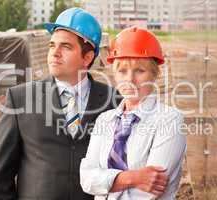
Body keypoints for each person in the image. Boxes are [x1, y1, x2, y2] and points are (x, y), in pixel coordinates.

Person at [0, 8, 119, 200]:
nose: (55, 53)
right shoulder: (20, 99)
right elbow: (0, 173)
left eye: (65, 47)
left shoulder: (113, 101)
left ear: (87, 57)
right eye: (52, 45)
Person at [80, 26, 187, 199]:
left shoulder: (169, 120)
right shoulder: (104, 120)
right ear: (114, 74)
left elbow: (149, 191)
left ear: (154, 75)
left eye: (139, 70)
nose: (129, 79)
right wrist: (133, 178)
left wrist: (104, 183)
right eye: (122, 71)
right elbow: (86, 180)